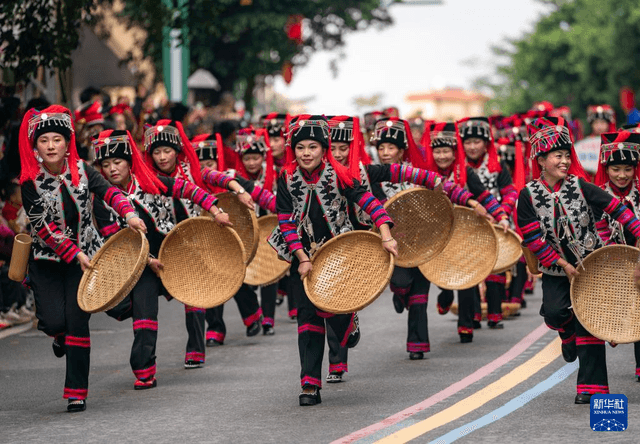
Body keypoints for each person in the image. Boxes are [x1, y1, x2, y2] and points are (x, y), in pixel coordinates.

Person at [19, 105, 146, 412]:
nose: (51, 146)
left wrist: (128, 213)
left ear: (67, 143)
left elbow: (110, 193)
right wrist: (73, 253)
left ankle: (77, 391)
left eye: (57, 140)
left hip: (87, 259)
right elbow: (44, 228)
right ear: (35, 146)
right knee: (52, 321)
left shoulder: (84, 171)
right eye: (44, 140)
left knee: (78, 321)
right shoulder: (28, 182)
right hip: (48, 262)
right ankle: (58, 336)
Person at [269, 115, 397, 406]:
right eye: (300, 147)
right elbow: (286, 222)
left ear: (323, 149)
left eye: (312, 146)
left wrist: (386, 234)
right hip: (303, 256)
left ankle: (347, 320)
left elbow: (368, 201)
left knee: (338, 320)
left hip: (341, 254)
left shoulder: (340, 174)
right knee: (308, 319)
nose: (305, 153)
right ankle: (310, 385)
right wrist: (301, 258)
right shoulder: (286, 179)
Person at [92, 129, 229, 389]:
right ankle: (144, 371)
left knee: (192, 294)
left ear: (129, 162)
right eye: (106, 164)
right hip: (138, 262)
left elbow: (187, 189)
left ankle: (196, 349)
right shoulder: (102, 199)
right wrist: (147, 261)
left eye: (117, 162)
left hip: (171, 251)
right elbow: (114, 240)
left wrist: (215, 209)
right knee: (144, 315)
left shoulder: (149, 180)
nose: (111, 169)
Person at [517, 116, 640, 404]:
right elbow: (534, 238)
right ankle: (566, 333)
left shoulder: (581, 186)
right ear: (542, 159)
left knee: (589, 320)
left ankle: (591, 387)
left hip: (591, 267)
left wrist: (637, 233)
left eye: (565, 155)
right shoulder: (528, 195)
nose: (564, 161)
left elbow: (618, 211)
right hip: (556, 269)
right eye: (558, 156)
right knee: (554, 312)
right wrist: (562, 264)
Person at [143, 119, 252, 368]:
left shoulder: (190, 171)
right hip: (161, 243)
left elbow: (218, 177)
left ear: (177, 151)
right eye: (157, 152)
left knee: (193, 293)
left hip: (195, 240)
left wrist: (239, 190)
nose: (162, 157)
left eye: (167, 151)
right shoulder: (146, 178)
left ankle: (195, 349)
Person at [421, 121, 509, 342]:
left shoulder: (466, 172)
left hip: (464, 231)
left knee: (468, 276)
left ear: (454, 152)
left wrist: (501, 215)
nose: (441, 156)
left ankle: (466, 324)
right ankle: (446, 292)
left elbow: (484, 196)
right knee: (442, 272)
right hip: (438, 232)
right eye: (437, 151)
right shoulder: (424, 174)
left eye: (446, 151)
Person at [191, 132, 277, 344]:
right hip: (203, 237)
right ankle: (215, 329)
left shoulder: (229, 176)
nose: (205, 168)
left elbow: (256, 193)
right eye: (200, 163)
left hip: (233, 234)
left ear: (217, 161)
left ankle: (252, 315)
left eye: (209, 163)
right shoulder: (190, 179)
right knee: (211, 280)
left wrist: (283, 211)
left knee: (234, 276)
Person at [458, 116, 516, 329]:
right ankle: (473, 313)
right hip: (467, 223)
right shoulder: (459, 167)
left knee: (495, 268)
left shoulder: (497, 165)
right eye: (468, 142)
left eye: (477, 142)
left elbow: (509, 192)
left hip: (494, 220)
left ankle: (494, 312)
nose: (472, 147)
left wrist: (504, 213)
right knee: (470, 267)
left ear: (486, 143)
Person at [594, 130, 640, 382]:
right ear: (606, 169)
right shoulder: (597, 195)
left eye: (628, 169)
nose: (622, 175)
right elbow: (595, 230)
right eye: (615, 169)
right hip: (608, 261)